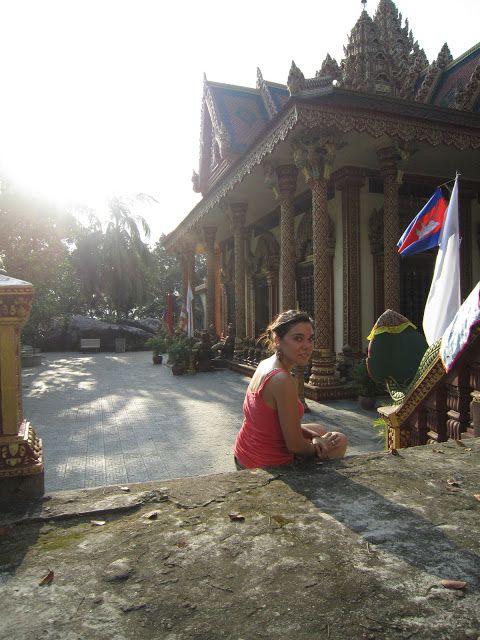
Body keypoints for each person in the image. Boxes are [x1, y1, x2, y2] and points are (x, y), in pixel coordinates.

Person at [234, 309, 348, 469]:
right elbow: (294, 446)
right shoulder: (282, 379)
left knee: (319, 429)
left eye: (310, 339)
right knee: (339, 439)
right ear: (277, 340)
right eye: (298, 339)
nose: (307, 346)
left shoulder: (265, 363)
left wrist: (315, 437)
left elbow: (273, 424)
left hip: (243, 453)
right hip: (264, 465)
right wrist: (320, 447)